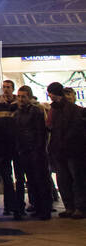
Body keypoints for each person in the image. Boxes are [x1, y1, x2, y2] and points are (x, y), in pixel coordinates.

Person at [46, 81, 86, 218]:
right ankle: (70, 206)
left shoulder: (73, 110)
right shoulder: (55, 110)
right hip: (60, 150)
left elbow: (74, 130)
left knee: (75, 179)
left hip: (72, 150)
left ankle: (78, 207)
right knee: (64, 180)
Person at [12, 86, 53, 219]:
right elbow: (17, 132)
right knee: (32, 181)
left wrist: (39, 149)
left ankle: (45, 209)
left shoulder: (36, 111)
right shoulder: (17, 113)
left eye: (23, 96)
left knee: (41, 180)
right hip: (24, 151)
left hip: (36, 151)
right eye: (19, 96)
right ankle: (37, 206)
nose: (20, 99)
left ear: (29, 97)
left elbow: (40, 132)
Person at [0, 79, 20, 218]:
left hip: (15, 145)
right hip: (2, 147)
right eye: (4, 87)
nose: (5, 89)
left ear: (13, 88)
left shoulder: (18, 104)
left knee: (13, 177)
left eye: (8, 87)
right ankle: (6, 207)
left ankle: (13, 206)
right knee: (5, 177)